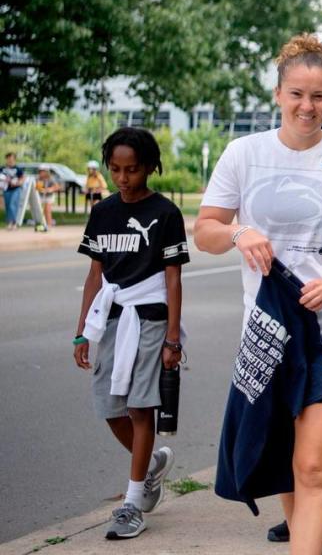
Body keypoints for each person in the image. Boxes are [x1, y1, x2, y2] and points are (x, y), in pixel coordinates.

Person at [195, 33, 322, 554]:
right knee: (284, 461)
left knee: (314, 467)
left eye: (319, 96)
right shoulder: (244, 154)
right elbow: (206, 229)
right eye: (298, 94)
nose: (308, 107)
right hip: (270, 333)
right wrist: (240, 232)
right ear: (278, 94)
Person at [73, 128, 188, 539]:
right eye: (116, 169)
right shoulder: (102, 212)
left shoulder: (166, 212)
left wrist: (173, 339)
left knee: (142, 408)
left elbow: (173, 279)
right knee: (110, 407)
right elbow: (94, 275)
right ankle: (152, 463)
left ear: (149, 167)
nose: (123, 178)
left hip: (153, 320)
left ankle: (132, 502)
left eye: (132, 170)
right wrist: (82, 332)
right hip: (115, 320)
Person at [3, 152, 25, 229]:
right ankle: (9, 222)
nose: (10, 160)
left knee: (13, 204)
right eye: (8, 158)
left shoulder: (18, 169)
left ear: (14, 159)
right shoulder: (2, 169)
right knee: (8, 205)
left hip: (16, 189)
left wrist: (18, 183)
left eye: (11, 158)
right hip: (6, 189)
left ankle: (14, 222)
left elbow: (22, 178)